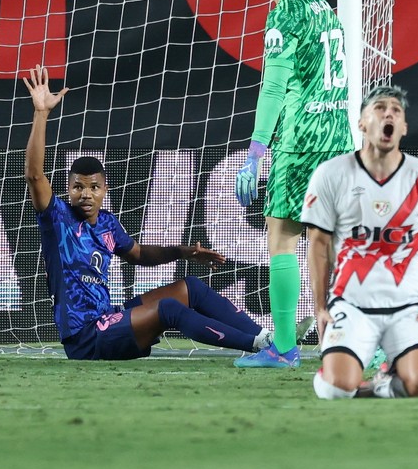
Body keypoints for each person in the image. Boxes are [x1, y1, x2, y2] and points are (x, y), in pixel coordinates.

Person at [24, 65, 273, 361]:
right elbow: (35, 175)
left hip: (109, 319)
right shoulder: (57, 218)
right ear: (68, 189)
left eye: (93, 187)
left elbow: (140, 255)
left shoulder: (107, 224)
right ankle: (256, 347)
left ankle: (265, 337)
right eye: (78, 187)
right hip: (84, 336)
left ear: (104, 191)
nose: (85, 194)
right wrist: (41, 114)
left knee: (190, 288)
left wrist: (184, 252)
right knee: (168, 310)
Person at [233, 0, 355, 368]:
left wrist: (254, 154)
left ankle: (284, 347)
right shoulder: (322, 6)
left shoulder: (283, 12)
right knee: (339, 244)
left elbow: (274, 87)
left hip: (302, 138)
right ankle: (364, 344)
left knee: (282, 237)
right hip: (339, 136)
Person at [304, 85, 418, 399]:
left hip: (409, 306)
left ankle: (386, 381)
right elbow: (318, 244)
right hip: (352, 303)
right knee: (335, 390)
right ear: (361, 122)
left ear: (403, 128)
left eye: (396, 111)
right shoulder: (331, 174)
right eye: (379, 107)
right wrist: (320, 307)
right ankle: (344, 374)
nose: (388, 113)